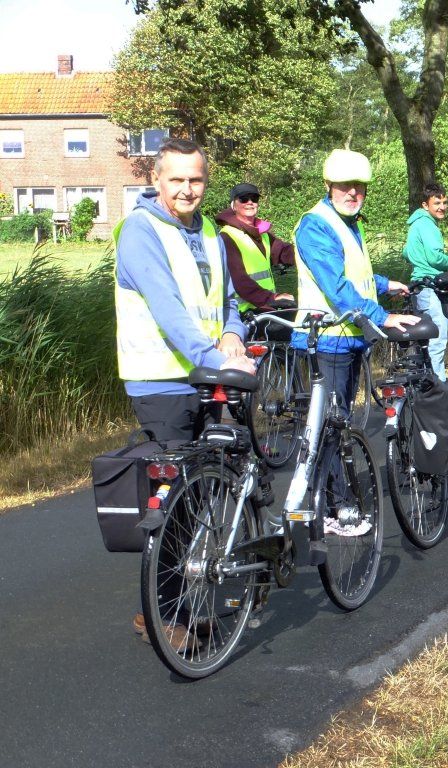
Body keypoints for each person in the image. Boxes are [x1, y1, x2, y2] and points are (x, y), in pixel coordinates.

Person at [114, 137, 253, 644]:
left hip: (207, 376)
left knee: (203, 495)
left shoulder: (211, 232)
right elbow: (168, 309)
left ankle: (185, 605)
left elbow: (228, 300)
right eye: (177, 179)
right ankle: (163, 617)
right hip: (161, 381)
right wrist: (218, 357)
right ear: (157, 180)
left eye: (195, 179)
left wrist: (234, 335)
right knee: (172, 500)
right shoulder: (141, 231)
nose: (187, 189)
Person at [292, 148, 419, 419]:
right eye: (344, 185)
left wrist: (384, 284)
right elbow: (335, 286)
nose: (353, 192)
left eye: (359, 185)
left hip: (347, 337)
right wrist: (382, 316)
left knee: (341, 425)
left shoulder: (350, 222)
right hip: (328, 339)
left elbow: (353, 274)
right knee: (330, 427)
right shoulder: (317, 224)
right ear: (328, 186)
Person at [403, 181, 448, 380]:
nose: (442, 207)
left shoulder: (415, 224)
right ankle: (438, 386)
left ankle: (425, 384)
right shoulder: (428, 225)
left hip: (418, 287)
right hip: (431, 287)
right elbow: (435, 258)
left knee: (423, 340)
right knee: (437, 340)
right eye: (437, 203)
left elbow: (405, 252)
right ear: (425, 205)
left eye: (444, 202)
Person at [216, 183, 295, 314]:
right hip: (243, 314)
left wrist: (311, 250)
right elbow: (239, 281)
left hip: (266, 309)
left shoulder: (262, 234)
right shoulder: (226, 237)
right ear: (233, 205)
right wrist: (272, 298)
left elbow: (285, 252)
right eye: (243, 199)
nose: (250, 202)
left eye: (254, 198)